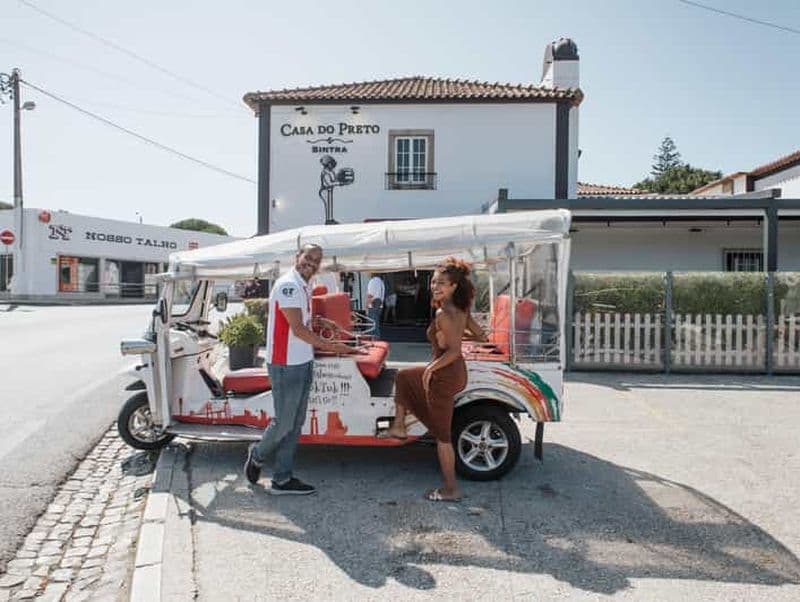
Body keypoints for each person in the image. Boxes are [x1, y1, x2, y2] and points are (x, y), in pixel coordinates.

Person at [244, 244, 361, 495]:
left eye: (317, 260)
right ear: (297, 257)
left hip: (302, 361)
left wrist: (320, 320)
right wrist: (335, 346)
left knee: (295, 424)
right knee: (284, 423)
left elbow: (299, 320)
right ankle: (257, 454)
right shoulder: (289, 285)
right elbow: (298, 329)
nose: (312, 263)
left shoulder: (304, 285)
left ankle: (282, 479)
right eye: (308, 257)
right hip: (286, 365)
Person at [379, 258, 486, 502]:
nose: (436, 286)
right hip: (456, 374)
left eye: (442, 283)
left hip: (445, 376)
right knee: (404, 376)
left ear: (454, 287)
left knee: (443, 437)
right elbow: (481, 337)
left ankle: (451, 490)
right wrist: (459, 332)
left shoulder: (443, 312)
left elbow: (454, 351)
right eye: (434, 281)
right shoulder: (460, 310)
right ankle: (398, 426)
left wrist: (431, 368)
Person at [366, 272, 385, 338]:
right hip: (379, 302)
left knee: (371, 322)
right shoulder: (381, 282)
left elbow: (370, 295)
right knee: (376, 321)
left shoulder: (372, 281)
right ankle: (377, 337)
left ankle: (372, 338)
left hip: (373, 303)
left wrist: (366, 305)